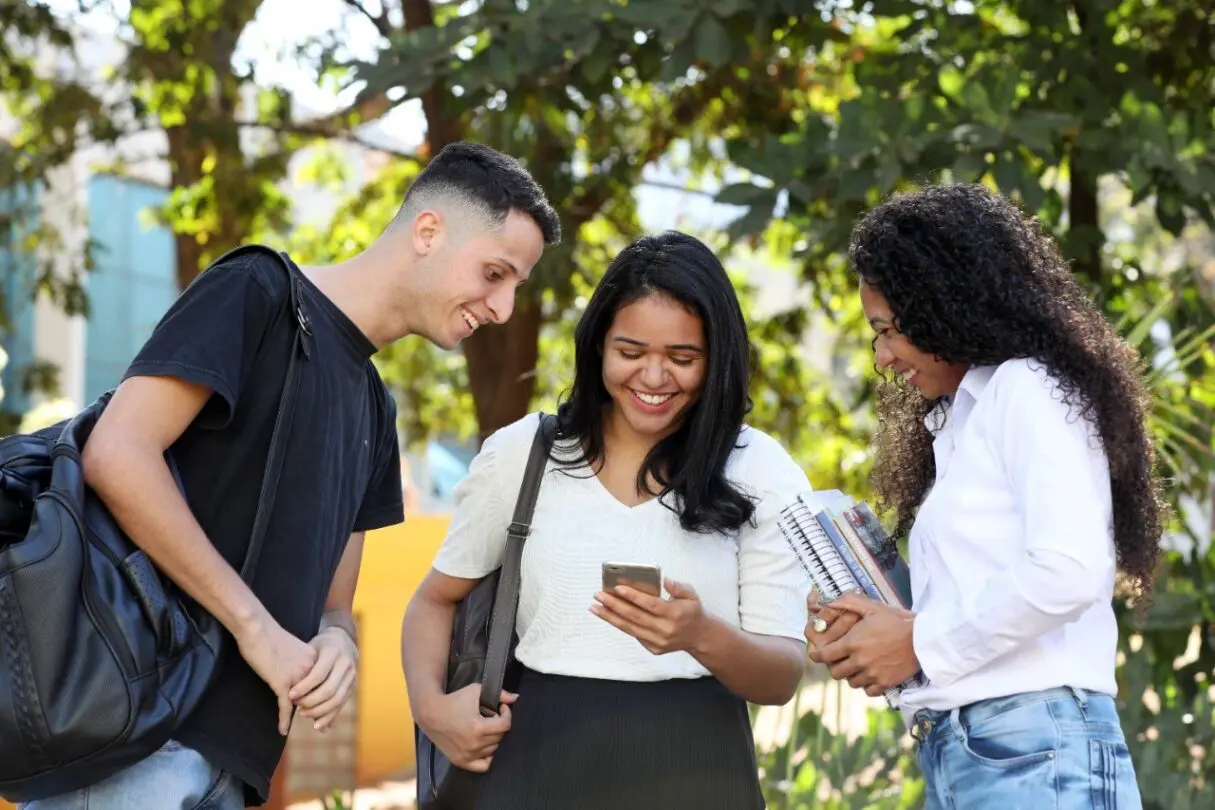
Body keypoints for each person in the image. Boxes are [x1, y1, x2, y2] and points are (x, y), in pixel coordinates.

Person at [23, 141, 561, 810]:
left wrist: (337, 643)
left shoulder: (373, 406)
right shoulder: (258, 291)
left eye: (514, 286)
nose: (503, 308)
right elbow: (118, 451)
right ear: (428, 231)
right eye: (494, 273)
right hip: (131, 742)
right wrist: (257, 631)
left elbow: (335, 603)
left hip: (233, 762)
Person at [402, 231, 811, 810]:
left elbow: (782, 677)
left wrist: (699, 635)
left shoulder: (760, 467)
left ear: (718, 360)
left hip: (697, 769)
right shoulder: (525, 454)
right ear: (598, 347)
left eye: (682, 358)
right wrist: (433, 709)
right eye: (631, 351)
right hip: (532, 764)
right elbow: (434, 600)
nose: (652, 377)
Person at [806, 184, 1158, 809]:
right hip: (977, 751)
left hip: (1034, 750)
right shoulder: (962, 418)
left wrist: (917, 642)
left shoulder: (1028, 389)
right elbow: (978, 594)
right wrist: (871, 619)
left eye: (889, 330)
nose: (883, 356)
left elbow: (1069, 570)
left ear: (945, 307)